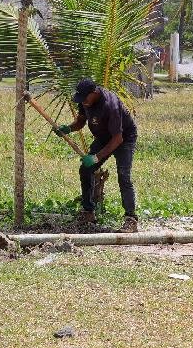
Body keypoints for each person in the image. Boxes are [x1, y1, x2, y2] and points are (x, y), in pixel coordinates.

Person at [58, 77, 140, 233]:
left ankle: (131, 219)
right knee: (85, 170)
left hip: (124, 137)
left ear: (94, 92)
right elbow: (80, 122)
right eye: (80, 99)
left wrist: (96, 157)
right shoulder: (85, 101)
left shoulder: (111, 105)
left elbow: (118, 139)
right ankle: (88, 212)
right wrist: (67, 129)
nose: (82, 102)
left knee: (124, 175)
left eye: (85, 98)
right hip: (104, 137)